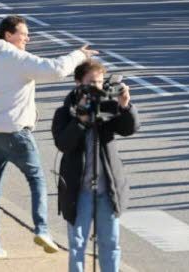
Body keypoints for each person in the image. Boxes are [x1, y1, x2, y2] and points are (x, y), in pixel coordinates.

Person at [0, 15, 97, 259]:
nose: (28, 38)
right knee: (37, 179)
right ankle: (42, 229)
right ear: (8, 35)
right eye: (23, 34)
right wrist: (79, 54)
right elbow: (55, 69)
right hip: (17, 131)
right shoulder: (15, 57)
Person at [53, 59, 138, 272]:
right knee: (77, 244)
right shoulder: (64, 112)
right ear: (77, 83)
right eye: (91, 82)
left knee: (110, 243)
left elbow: (130, 128)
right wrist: (80, 120)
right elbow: (63, 144)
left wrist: (125, 105)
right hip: (78, 191)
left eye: (100, 82)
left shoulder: (108, 108)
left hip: (106, 189)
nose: (97, 87)